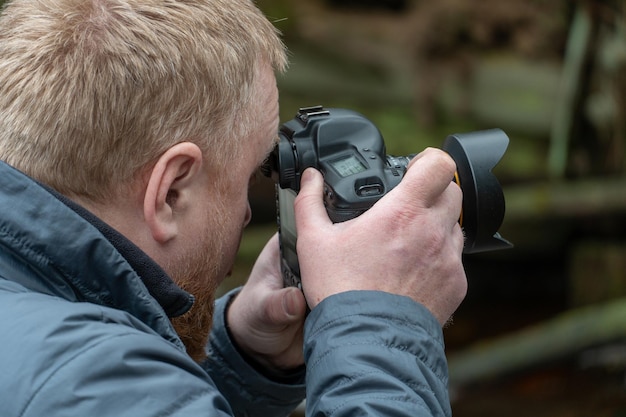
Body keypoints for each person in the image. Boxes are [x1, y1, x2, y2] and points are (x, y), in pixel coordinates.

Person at [0, 0, 467, 416]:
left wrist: (241, 360)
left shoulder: (53, 351)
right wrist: (382, 319)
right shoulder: (90, 376)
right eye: (251, 176)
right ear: (171, 193)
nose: (247, 213)